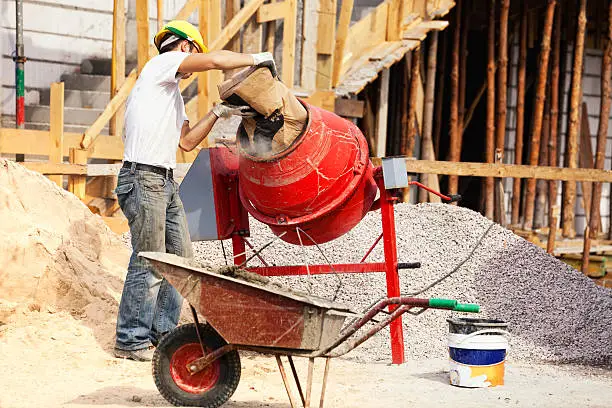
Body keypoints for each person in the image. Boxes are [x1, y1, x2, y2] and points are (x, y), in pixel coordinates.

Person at [113, 20, 274, 361]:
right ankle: (131, 340)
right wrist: (257, 58)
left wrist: (217, 113)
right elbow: (216, 61)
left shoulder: (171, 98)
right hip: (143, 178)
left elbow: (186, 143)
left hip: (164, 182)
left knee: (182, 262)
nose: (193, 67)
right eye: (195, 54)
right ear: (184, 47)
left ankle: (163, 334)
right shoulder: (161, 65)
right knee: (150, 261)